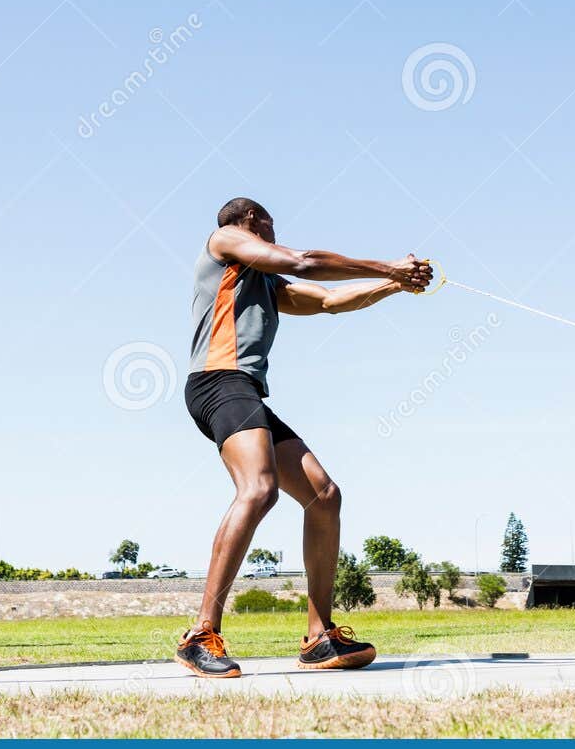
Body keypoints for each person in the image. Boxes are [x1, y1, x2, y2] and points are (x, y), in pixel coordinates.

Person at [175, 197, 433, 678]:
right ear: (254, 220)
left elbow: (330, 300)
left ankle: (320, 638)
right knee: (259, 489)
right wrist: (389, 264)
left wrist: (394, 284)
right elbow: (306, 262)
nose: (275, 230)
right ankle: (200, 634)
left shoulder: (264, 284)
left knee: (323, 495)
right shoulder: (226, 240)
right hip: (218, 380)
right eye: (270, 223)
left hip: (244, 389)